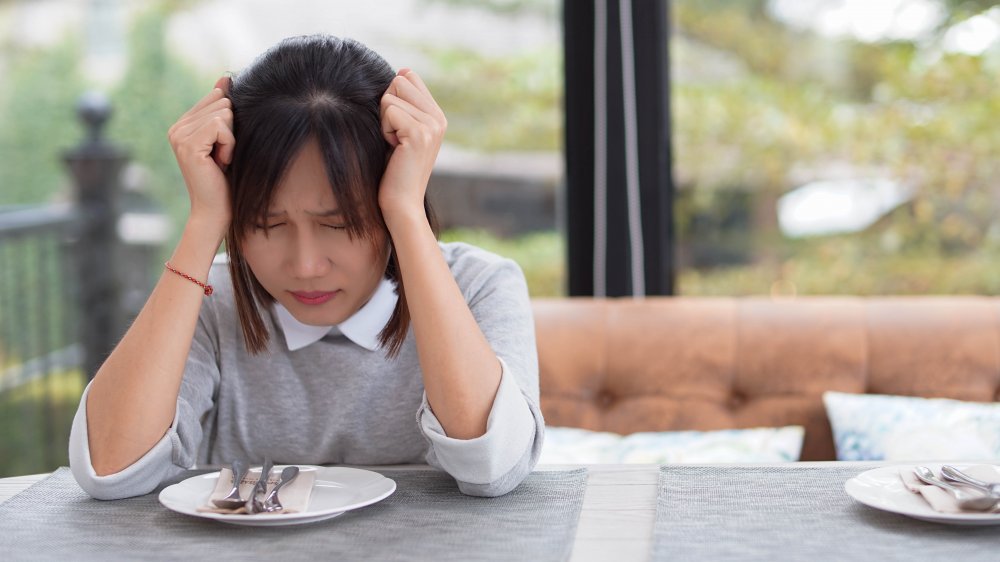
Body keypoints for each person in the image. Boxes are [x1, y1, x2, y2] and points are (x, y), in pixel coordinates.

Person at [68, 34, 544, 500]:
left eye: (339, 224)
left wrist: (406, 210)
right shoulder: (210, 299)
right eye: (267, 223)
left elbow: (492, 468)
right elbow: (111, 470)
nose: (306, 265)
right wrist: (204, 220)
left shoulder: (479, 284)